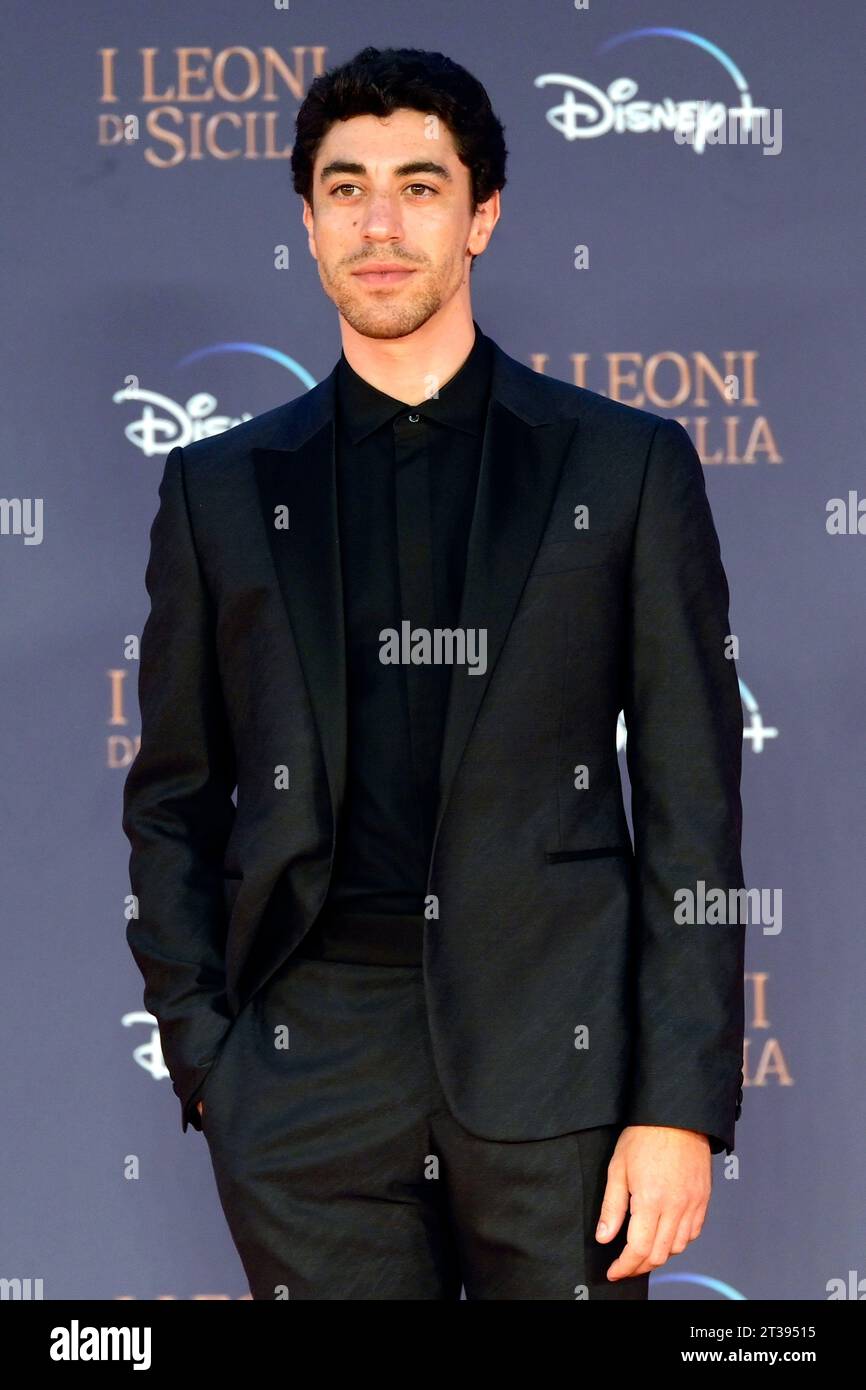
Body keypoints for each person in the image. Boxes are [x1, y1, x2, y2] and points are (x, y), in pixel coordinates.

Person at [122, 45, 745, 1301]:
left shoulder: (620, 468)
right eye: (345, 188)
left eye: (419, 184)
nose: (380, 222)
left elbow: (691, 809)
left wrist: (678, 1105)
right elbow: (174, 799)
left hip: (556, 1074)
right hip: (306, 1084)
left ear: (481, 216)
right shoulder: (221, 490)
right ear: (307, 221)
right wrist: (213, 1064)